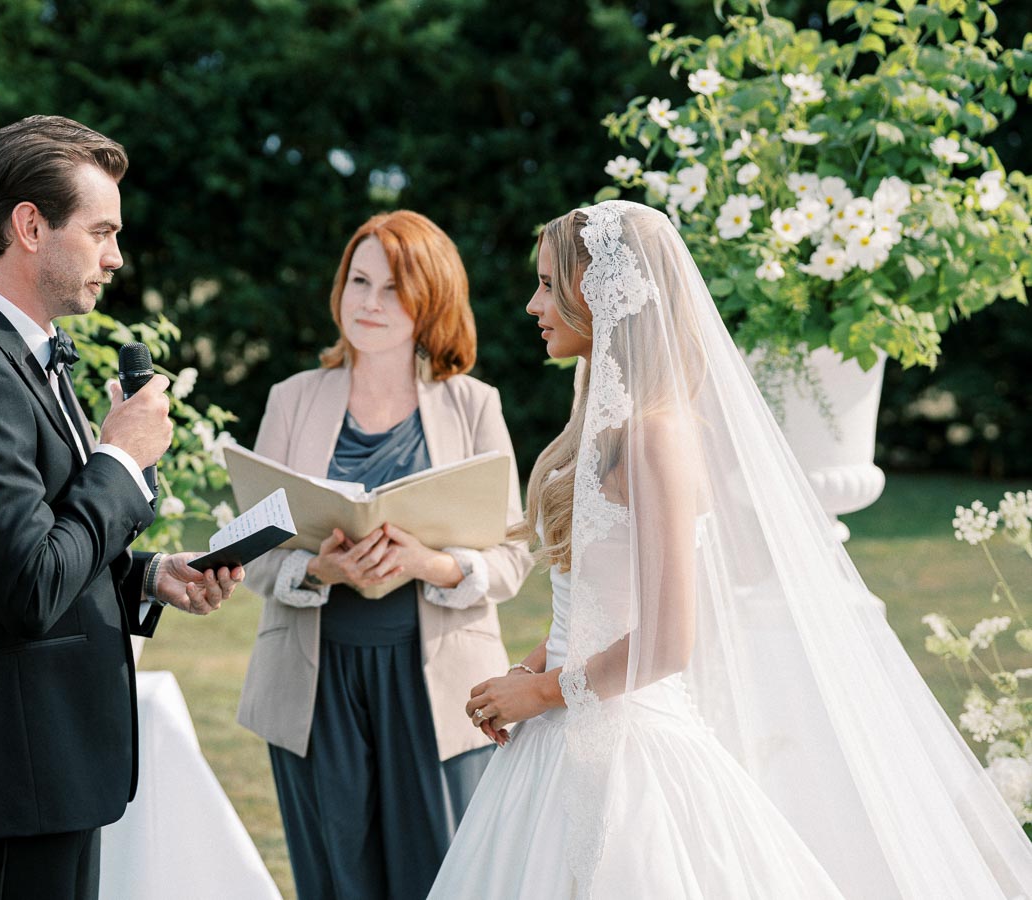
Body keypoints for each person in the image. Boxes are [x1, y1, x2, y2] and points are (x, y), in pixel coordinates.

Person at [429, 200, 1032, 898]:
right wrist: (527, 672)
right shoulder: (602, 423)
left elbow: (666, 641)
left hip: (627, 746)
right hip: (562, 724)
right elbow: (596, 602)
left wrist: (540, 690)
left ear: (607, 295)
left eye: (548, 285)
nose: (533, 304)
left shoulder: (656, 437)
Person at [0, 115, 243, 900]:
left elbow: (35, 540)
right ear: (30, 226)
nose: (115, 257)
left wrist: (146, 577)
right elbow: (30, 586)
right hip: (11, 770)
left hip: (47, 767)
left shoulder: (15, 354)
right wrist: (120, 457)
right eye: (101, 231)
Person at [235, 210, 533, 898]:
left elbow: (514, 559)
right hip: (314, 683)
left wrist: (432, 564)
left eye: (393, 288)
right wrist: (317, 569)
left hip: (435, 683)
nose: (369, 304)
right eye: (358, 281)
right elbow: (251, 555)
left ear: (430, 299)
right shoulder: (290, 400)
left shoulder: (473, 407)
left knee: (441, 877)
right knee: (336, 880)